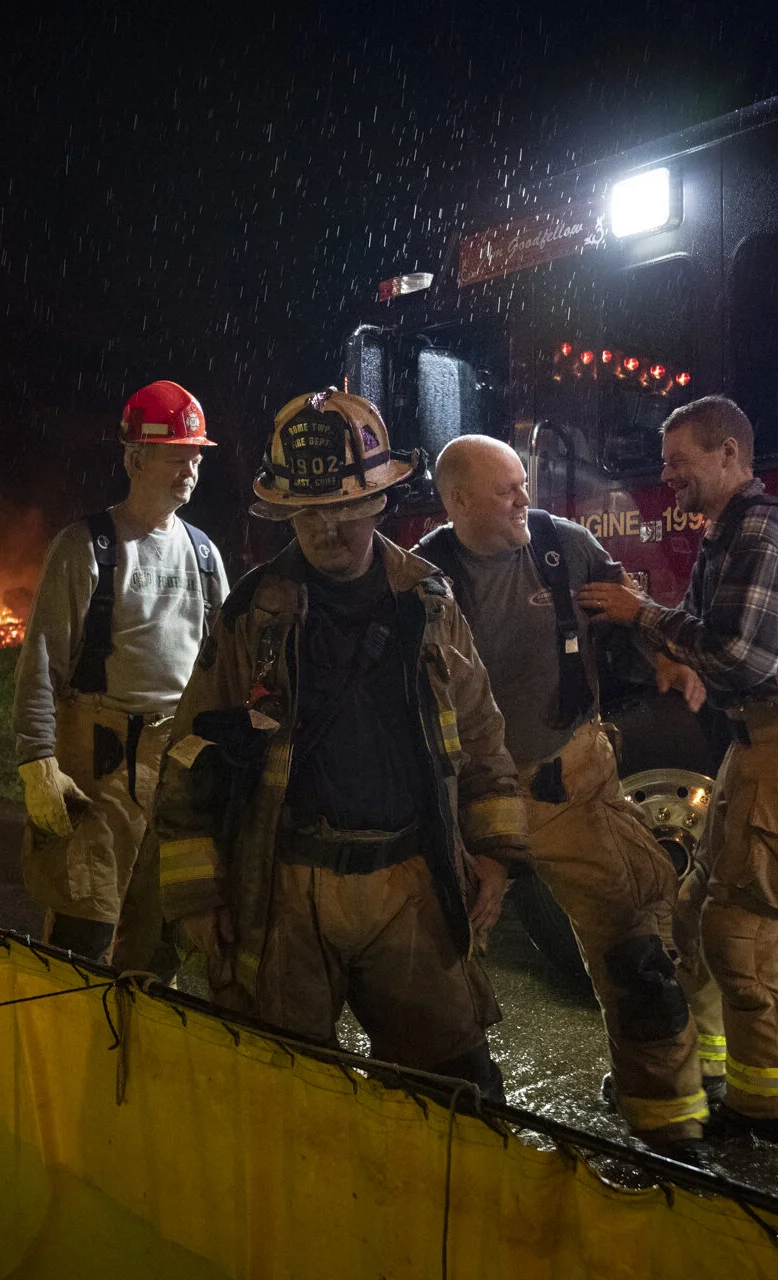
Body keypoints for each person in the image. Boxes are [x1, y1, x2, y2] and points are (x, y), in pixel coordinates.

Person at [154, 389, 528, 1099]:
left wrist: (497, 855)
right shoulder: (251, 616)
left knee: (456, 1093)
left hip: (411, 880)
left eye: (346, 507)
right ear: (287, 513)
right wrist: (200, 898)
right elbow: (190, 759)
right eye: (309, 511)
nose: (328, 528)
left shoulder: (429, 602)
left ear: (381, 502)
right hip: (289, 884)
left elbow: (482, 736)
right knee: (284, 1091)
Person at [417, 434, 709, 1158]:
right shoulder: (421, 575)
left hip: (569, 782)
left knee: (635, 944)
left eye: (525, 483)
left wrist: (667, 657)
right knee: (432, 962)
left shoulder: (564, 545)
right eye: (506, 490)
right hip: (464, 802)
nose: (526, 500)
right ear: (456, 503)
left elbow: (626, 609)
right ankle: (449, 1126)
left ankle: (667, 1117)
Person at [580, 395, 778, 1146]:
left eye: (679, 461)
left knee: (748, 932)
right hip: (763, 741)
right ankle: (706, 1078)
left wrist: (642, 614)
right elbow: (717, 644)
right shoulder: (727, 533)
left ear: (729, 453)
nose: (666, 475)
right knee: (696, 911)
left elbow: (740, 655)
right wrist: (676, 650)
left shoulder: (762, 530)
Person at [13, 380, 228, 970]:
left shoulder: (206, 555)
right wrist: (38, 764)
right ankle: (68, 1054)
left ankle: (137, 1056)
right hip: (97, 762)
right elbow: (41, 664)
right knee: (82, 935)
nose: (190, 467)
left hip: (177, 763)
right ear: (135, 459)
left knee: (159, 943)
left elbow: (219, 666)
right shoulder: (87, 546)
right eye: (177, 454)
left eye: (196, 455)